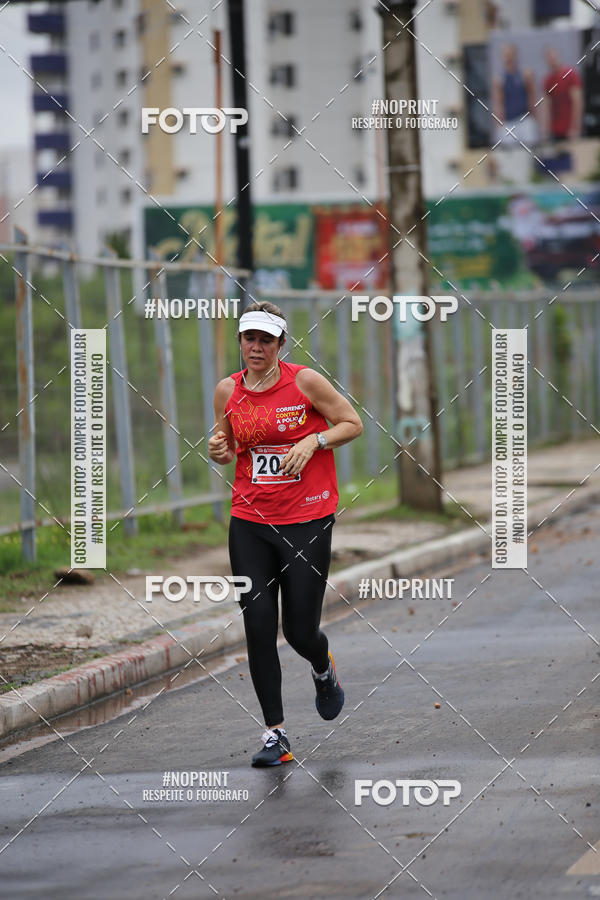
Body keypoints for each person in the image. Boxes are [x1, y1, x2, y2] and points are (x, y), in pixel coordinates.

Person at [208, 301, 363, 766]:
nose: (256, 348)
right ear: (240, 342)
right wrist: (219, 449)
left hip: (307, 519)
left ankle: (322, 666)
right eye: (248, 339)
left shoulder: (304, 381)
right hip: (250, 520)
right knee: (257, 625)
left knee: (298, 630)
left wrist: (313, 440)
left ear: (281, 344)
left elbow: (352, 423)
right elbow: (227, 445)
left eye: (266, 340)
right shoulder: (227, 391)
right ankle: (276, 735)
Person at [492, 43, 539, 146]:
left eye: (510, 54)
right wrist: (498, 126)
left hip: (524, 120)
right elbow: (498, 104)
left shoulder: (525, 74)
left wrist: (535, 120)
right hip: (508, 122)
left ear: (515, 55)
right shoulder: (499, 79)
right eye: (506, 55)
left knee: (530, 150)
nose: (508, 58)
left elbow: (532, 98)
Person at [542, 47, 583, 142]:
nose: (551, 60)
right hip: (555, 129)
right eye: (549, 58)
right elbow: (547, 106)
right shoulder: (548, 80)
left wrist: (575, 127)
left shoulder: (570, 75)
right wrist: (546, 129)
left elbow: (577, 102)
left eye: (553, 57)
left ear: (558, 57)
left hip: (569, 128)